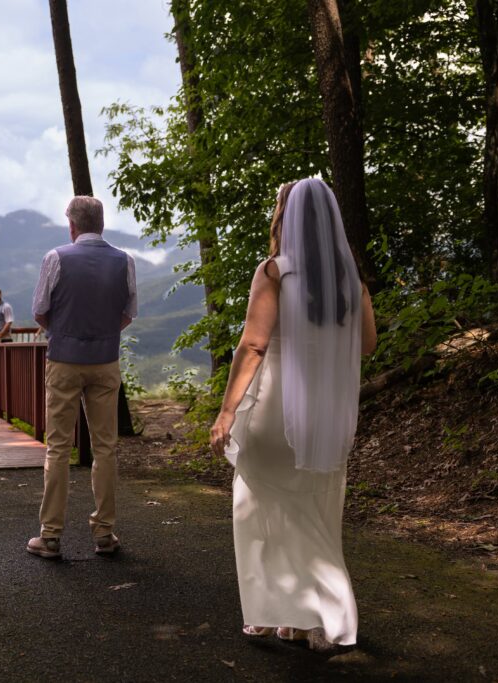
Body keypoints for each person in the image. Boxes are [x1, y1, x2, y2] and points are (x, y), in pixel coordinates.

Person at [208, 178, 377, 652]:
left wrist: (226, 411)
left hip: (275, 413)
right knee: (315, 509)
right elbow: (366, 345)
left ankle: (269, 613)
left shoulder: (275, 272)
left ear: (288, 218)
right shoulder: (351, 281)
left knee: (259, 507)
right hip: (326, 416)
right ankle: (303, 622)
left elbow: (254, 344)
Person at [26, 196, 137, 559]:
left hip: (64, 361)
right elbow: (128, 313)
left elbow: (40, 311)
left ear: (72, 225)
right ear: (101, 224)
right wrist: (103, 334)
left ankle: (51, 535)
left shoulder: (55, 258)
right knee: (105, 447)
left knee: (58, 447)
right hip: (106, 361)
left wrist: (64, 333)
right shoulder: (125, 261)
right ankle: (104, 533)